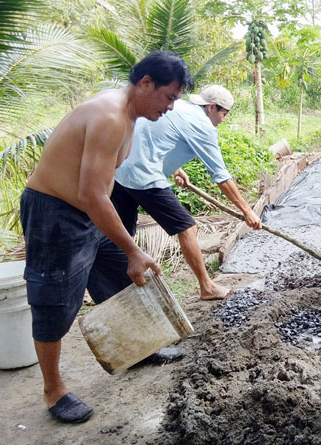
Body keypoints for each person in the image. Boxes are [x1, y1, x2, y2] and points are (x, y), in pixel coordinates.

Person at [20, 51, 193, 423]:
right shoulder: (110, 116)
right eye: (169, 97)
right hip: (55, 215)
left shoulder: (130, 116)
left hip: (88, 214)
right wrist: (133, 249)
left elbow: (100, 190)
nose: (170, 107)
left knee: (120, 279)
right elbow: (91, 194)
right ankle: (54, 391)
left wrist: (125, 248)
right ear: (146, 82)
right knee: (54, 302)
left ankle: (140, 348)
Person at [112, 84, 262, 303]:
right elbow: (221, 176)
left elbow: (158, 136)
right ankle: (207, 286)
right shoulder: (203, 126)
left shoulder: (179, 107)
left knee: (123, 234)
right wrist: (248, 210)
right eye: (224, 114)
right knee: (186, 226)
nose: (224, 119)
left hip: (120, 169)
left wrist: (175, 168)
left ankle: (120, 290)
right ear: (212, 107)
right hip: (143, 175)